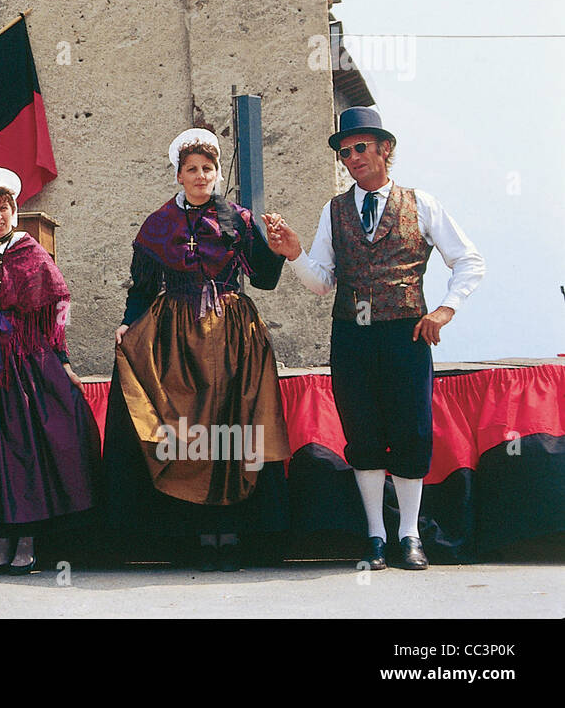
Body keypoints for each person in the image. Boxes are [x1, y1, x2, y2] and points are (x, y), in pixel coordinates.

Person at [264, 106, 484, 571]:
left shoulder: (421, 203)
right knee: (361, 432)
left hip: (404, 335)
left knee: (411, 432)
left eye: (360, 147)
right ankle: (376, 537)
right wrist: (295, 254)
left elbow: (469, 260)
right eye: (345, 152)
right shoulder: (334, 209)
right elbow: (323, 282)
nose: (352, 158)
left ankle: (409, 535)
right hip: (352, 336)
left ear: (386, 149)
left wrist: (445, 309)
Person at [104, 129, 290, 572]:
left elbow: (263, 278)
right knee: (188, 430)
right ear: (179, 175)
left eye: (208, 168)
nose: (201, 175)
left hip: (233, 336)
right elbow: (143, 286)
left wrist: (278, 250)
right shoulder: (158, 224)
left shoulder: (239, 220)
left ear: (216, 171)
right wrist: (129, 323)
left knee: (232, 425)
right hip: (177, 338)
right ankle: (197, 534)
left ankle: (233, 532)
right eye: (192, 169)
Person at [0, 168, 100, 574]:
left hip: (25, 361)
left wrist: (62, 362)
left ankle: (26, 538)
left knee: (22, 445)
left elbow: (56, 307)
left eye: (4, 208)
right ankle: (0, 539)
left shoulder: (32, 252)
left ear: (15, 211)